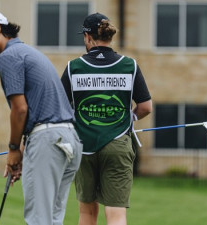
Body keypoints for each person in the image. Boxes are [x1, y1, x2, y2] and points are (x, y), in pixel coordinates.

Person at [0, 9, 82, 225]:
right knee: (53, 220)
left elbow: (20, 109)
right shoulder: (28, 52)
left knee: (39, 220)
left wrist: (13, 149)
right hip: (69, 140)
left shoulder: (8, 57)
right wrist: (26, 150)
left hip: (49, 141)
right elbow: (39, 110)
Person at [61, 13, 152, 225]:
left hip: (84, 146)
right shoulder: (130, 65)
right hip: (118, 143)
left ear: (87, 37)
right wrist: (130, 118)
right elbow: (146, 107)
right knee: (116, 214)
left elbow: (60, 109)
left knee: (86, 213)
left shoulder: (73, 68)